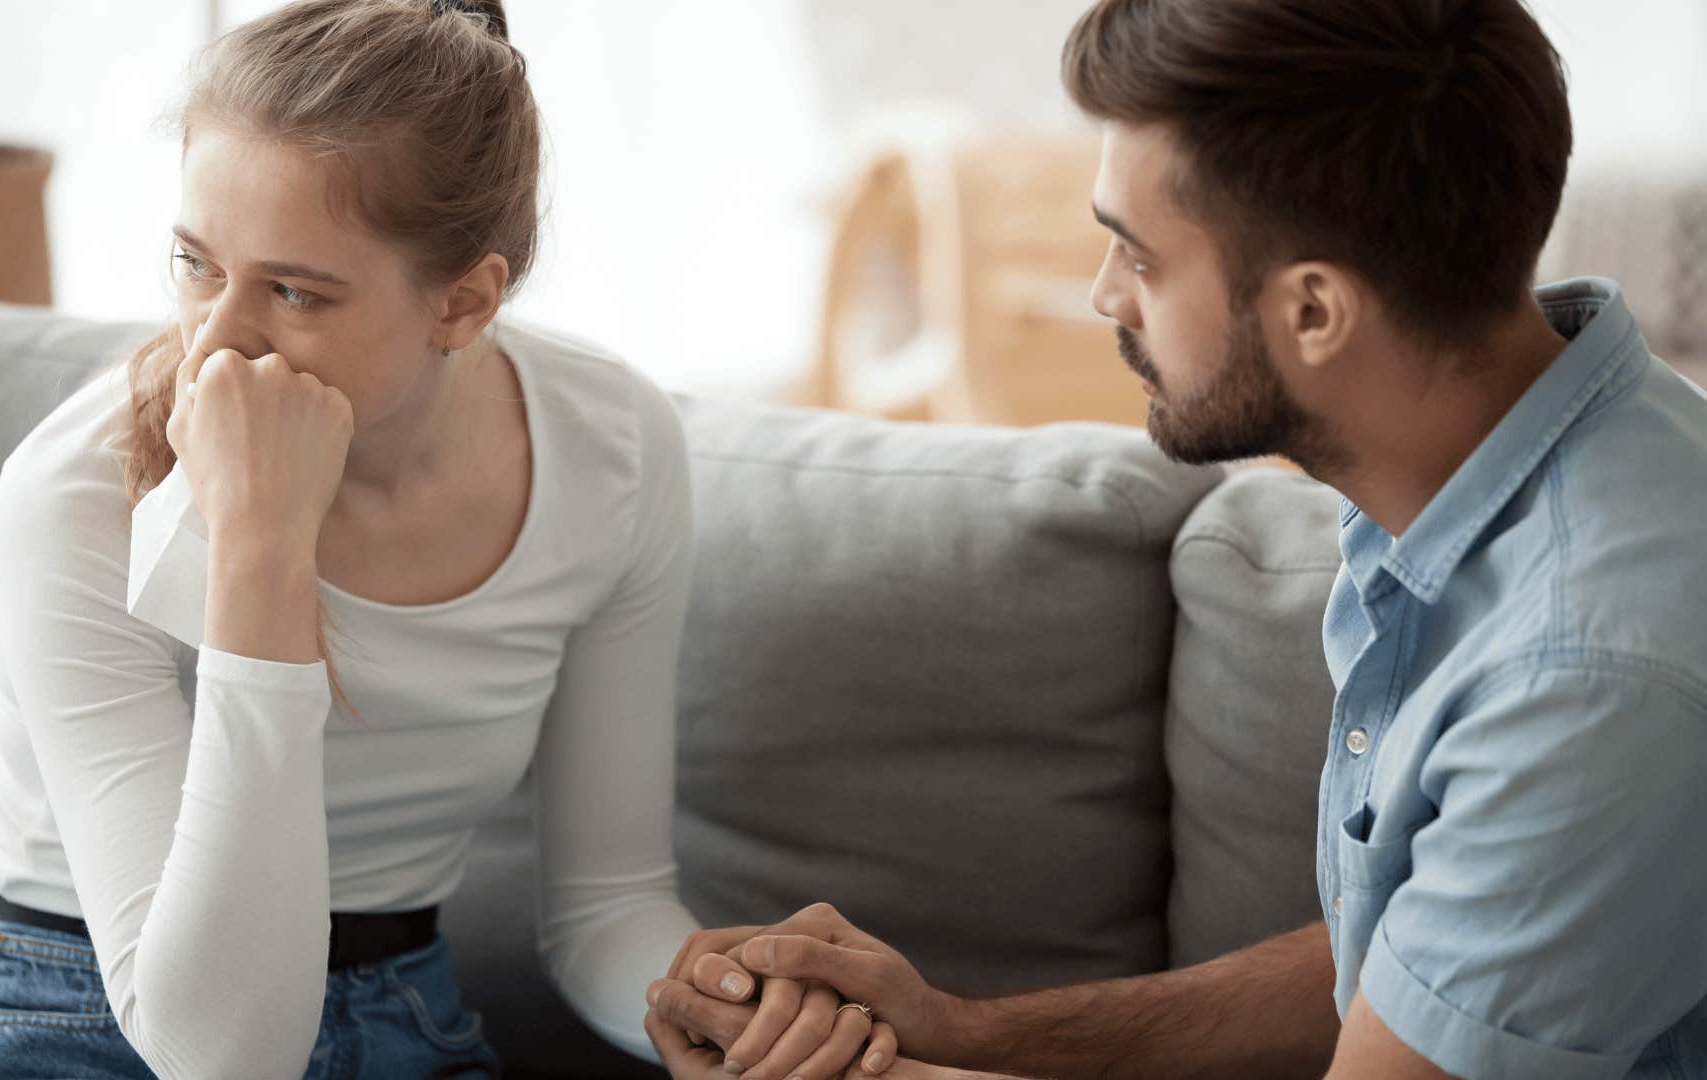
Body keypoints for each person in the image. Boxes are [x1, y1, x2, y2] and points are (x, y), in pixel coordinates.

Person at [648, 1, 1707, 1078]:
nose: (1106, 295)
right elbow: (1425, 958)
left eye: (1138, 256)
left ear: (1313, 313)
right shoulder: (1527, 457)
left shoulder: (1586, 676)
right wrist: (963, 1033)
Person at [0, 2, 863, 1078]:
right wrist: (261, 548)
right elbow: (220, 1054)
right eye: (196, 262)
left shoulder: (613, 452)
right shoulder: (74, 496)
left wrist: (717, 1007)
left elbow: (605, 904)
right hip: (69, 1014)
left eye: (295, 291)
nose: (215, 345)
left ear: (466, 300)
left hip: (400, 1015)